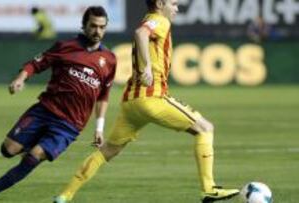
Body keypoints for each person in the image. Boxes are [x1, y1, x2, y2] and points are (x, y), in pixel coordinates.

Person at [53, 0, 240, 203]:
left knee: (107, 151)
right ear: (160, 4)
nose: (176, 8)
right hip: (151, 97)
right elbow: (140, 34)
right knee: (205, 128)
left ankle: (65, 195)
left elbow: (143, 33)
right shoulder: (160, 21)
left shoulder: (150, 19)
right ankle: (209, 188)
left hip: (130, 103)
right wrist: (148, 68)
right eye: (174, 4)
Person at [0, 6, 116, 203]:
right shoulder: (65, 47)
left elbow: (103, 96)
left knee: (33, 157)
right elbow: (35, 63)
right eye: (93, 26)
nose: (97, 31)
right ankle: (33, 143)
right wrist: (20, 79)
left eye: (102, 27)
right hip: (45, 110)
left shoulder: (109, 60)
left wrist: (99, 128)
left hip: (70, 125)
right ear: (84, 26)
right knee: (8, 150)